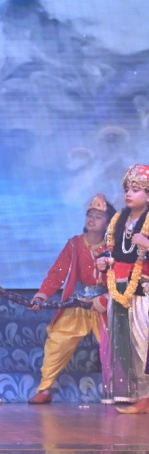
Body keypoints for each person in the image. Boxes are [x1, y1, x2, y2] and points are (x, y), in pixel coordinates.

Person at [28, 195, 114, 404]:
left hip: (104, 305)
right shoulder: (74, 244)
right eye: (90, 215)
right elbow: (57, 274)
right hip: (78, 303)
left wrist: (106, 299)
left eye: (98, 217)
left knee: (116, 345)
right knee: (57, 341)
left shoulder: (113, 247)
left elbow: (119, 277)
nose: (92, 219)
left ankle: (121, 392)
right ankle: (45, 389)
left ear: (107, 223)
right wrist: (42, 295)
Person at [98, 165, 149, 414]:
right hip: (119, 288)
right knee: (127, 347)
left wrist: (147, 244)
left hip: (144, 290)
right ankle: (142, 397)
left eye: (136, 189)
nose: (128, 193)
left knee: (144, 343)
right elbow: (113, 252)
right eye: (127, 189)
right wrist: (104, 262)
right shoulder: (119, 220)